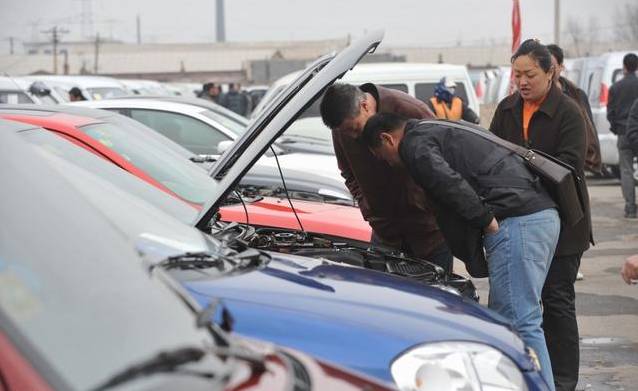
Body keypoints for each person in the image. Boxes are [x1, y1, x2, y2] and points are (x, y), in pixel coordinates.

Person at [361, 112, 560, 390]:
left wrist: (485, 221)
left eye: (384, 156)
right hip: (535, 215)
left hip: (517, 220)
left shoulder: (414, 146)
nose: (390, 164)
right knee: (518, 318)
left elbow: (449, 183)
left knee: (518, 322)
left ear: (388, 139)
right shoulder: (435, 127)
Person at [489, 39, 592, 391]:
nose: (522, 81)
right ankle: (523, 374)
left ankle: (562, 381)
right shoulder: (506, 109)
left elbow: (569, 167)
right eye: (516, 74)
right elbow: (490, 154)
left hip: (564, 222)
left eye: (530, 74)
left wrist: (523, 170)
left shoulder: (569, 113)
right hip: (517, 219)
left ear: (551, 72)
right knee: (521, 304)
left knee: (557, 299)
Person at [320, 83, 453, 274]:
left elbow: (446, 158)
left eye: (355, 129)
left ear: (365, 106)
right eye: (347, 132)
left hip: (430, 233)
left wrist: (429, 205)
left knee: (435, 299)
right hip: (385, 235)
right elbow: (348, 172)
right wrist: (367, 207)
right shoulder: (342, 127)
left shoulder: (407, 109)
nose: (353, 136)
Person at [547, 44, 602, 174]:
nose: (548, 70)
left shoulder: (576, 95)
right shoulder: (534, 97)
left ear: (561, 67)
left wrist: (592, 155)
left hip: (573, 162)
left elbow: (589, 127)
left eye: (552, 66)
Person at [608, 53, 638, 219]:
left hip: (623, 133)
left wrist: (616, 128)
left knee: (626, 170)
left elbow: (610, 112)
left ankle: (630, 208)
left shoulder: (616, 87)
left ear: (624, 67)